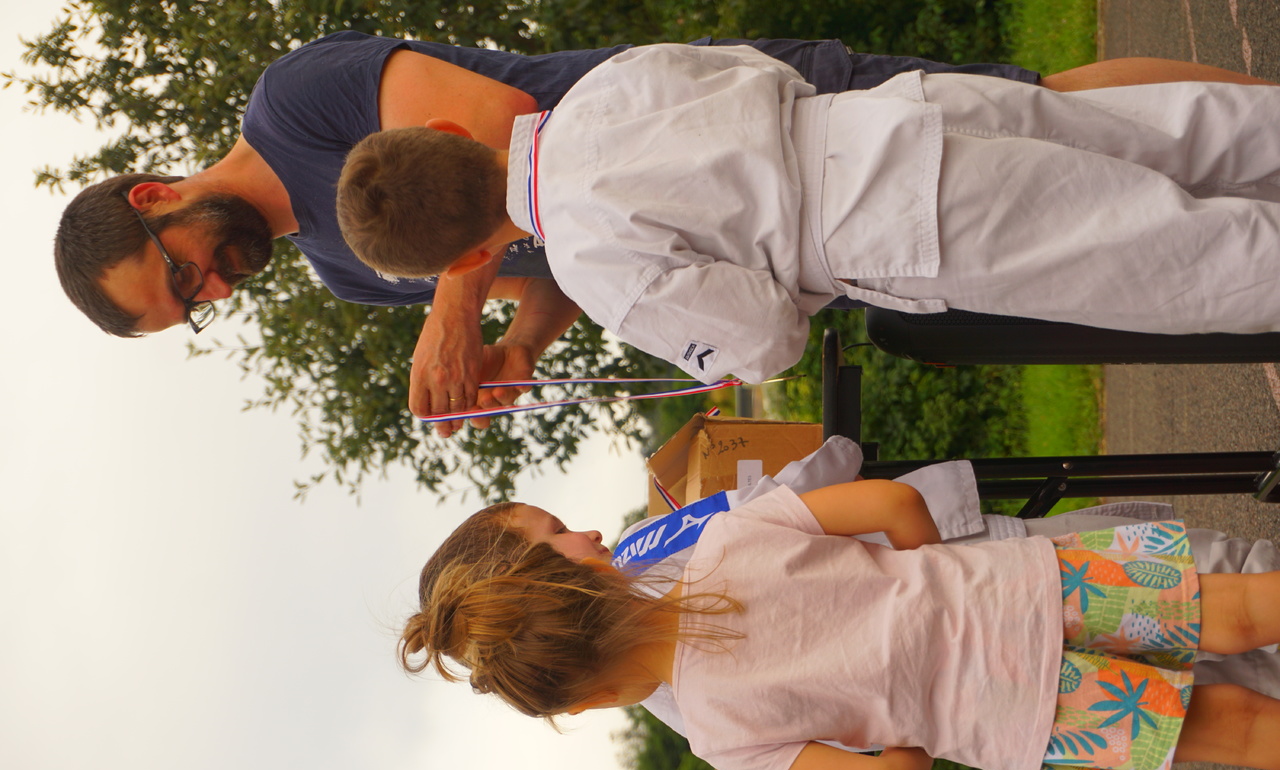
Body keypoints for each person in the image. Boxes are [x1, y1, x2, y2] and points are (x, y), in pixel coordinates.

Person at [52, 32, 1274, 430]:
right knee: (1130, 142)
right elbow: (547, 266)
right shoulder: (337, 269)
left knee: (1135, 209)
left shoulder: (292, 101)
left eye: (179, 278)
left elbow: (490, 121)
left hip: (817, 204)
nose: (212, 290)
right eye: (192, 312)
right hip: (745, 145)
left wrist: (453, 304)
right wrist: (514, 346)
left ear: (152, 197)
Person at [338, 43, 1280, 385]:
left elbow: (764, 339)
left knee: (1186, 261)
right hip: (895, 111)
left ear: (466, 263)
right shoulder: (599, 89)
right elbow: (758, 70)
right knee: (1170, 131)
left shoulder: (592, 266)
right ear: (450, 130)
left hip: (896, 226)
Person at [399, 480, 1280, 770]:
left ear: (588, 699)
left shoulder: (718, 735)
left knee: (1235, 729)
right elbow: (894, 505)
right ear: (599, 577)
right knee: (1240, 610)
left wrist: (927, 706)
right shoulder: (725, 539)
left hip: (1019, 718)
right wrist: (934, 578)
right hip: (1019, 587)